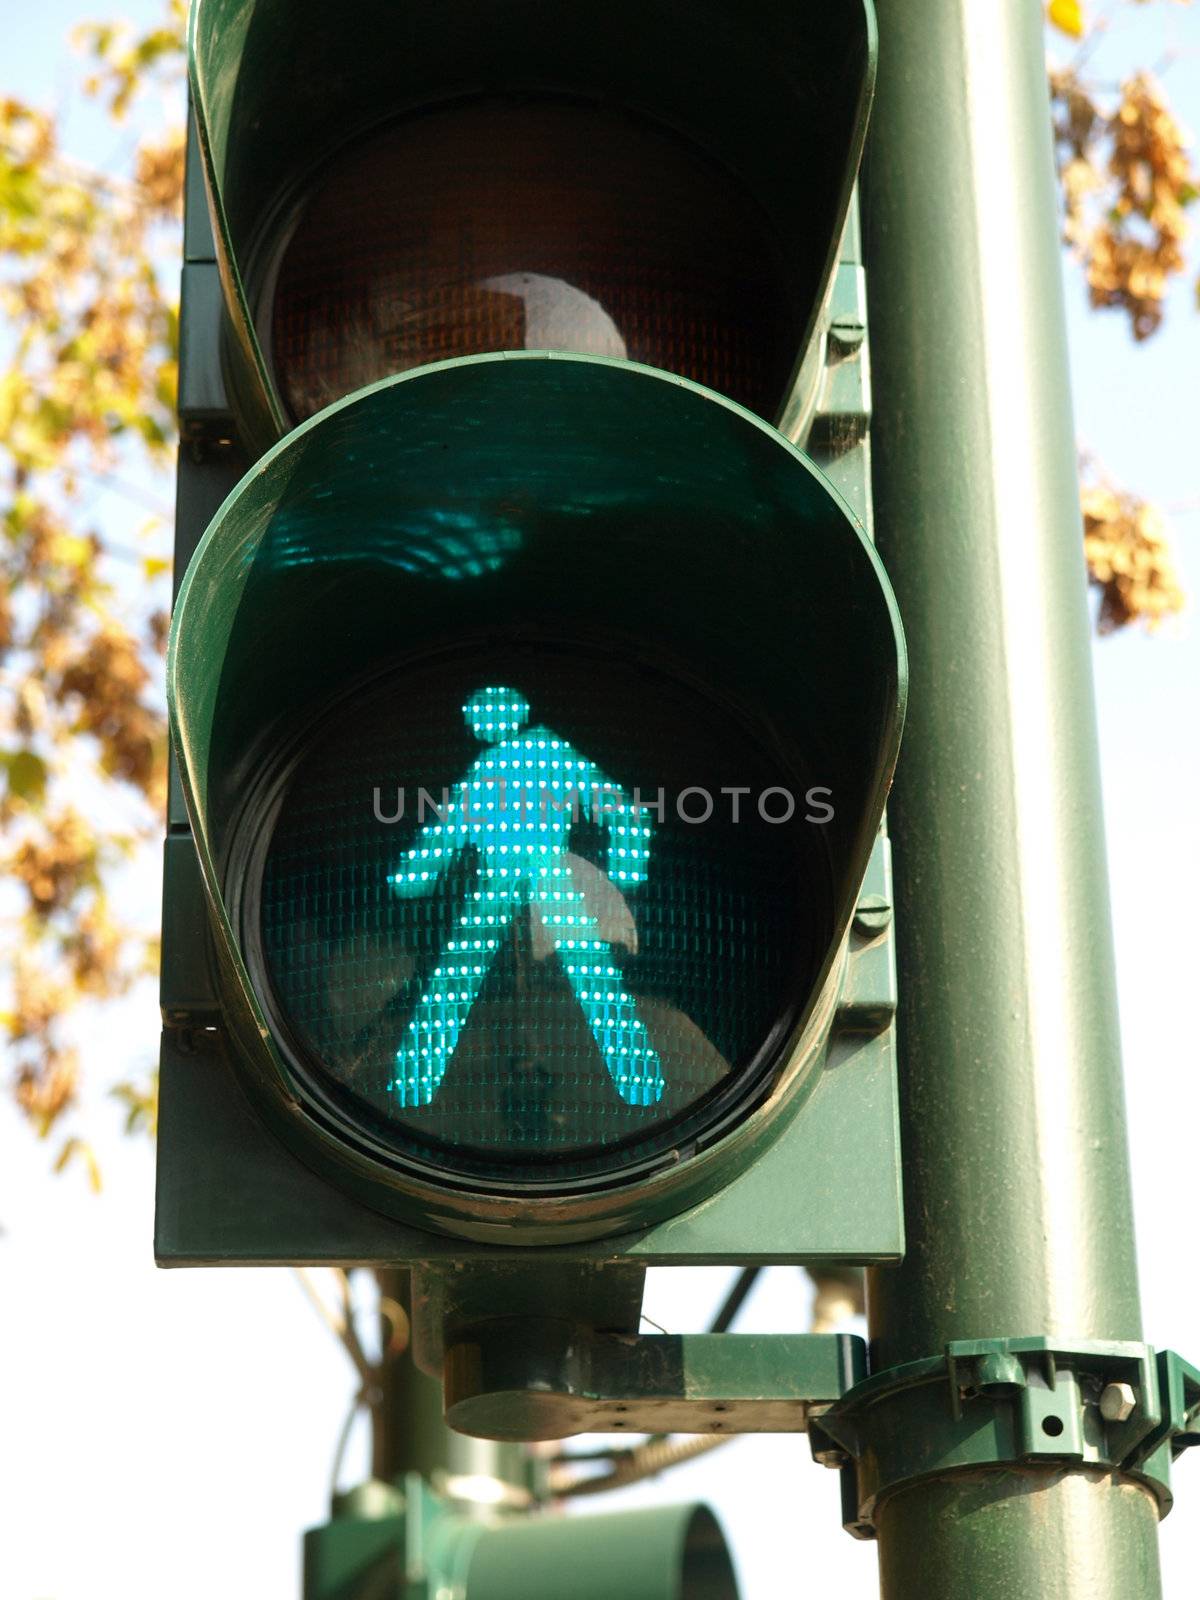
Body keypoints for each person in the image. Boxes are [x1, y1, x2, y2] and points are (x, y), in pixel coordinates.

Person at [390, 684, 665, 1109]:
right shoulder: (516, 760)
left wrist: (412, 876)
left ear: (498, 716)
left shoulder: (541, 752)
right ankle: (639, 1084)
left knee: (460, 977)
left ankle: (414, 1085)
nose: (471, 723)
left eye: (477, 715)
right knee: (593, 980)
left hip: (531, 874)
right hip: (528, 876)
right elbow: (449, 829)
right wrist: (626, 869)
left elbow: (447, 831)